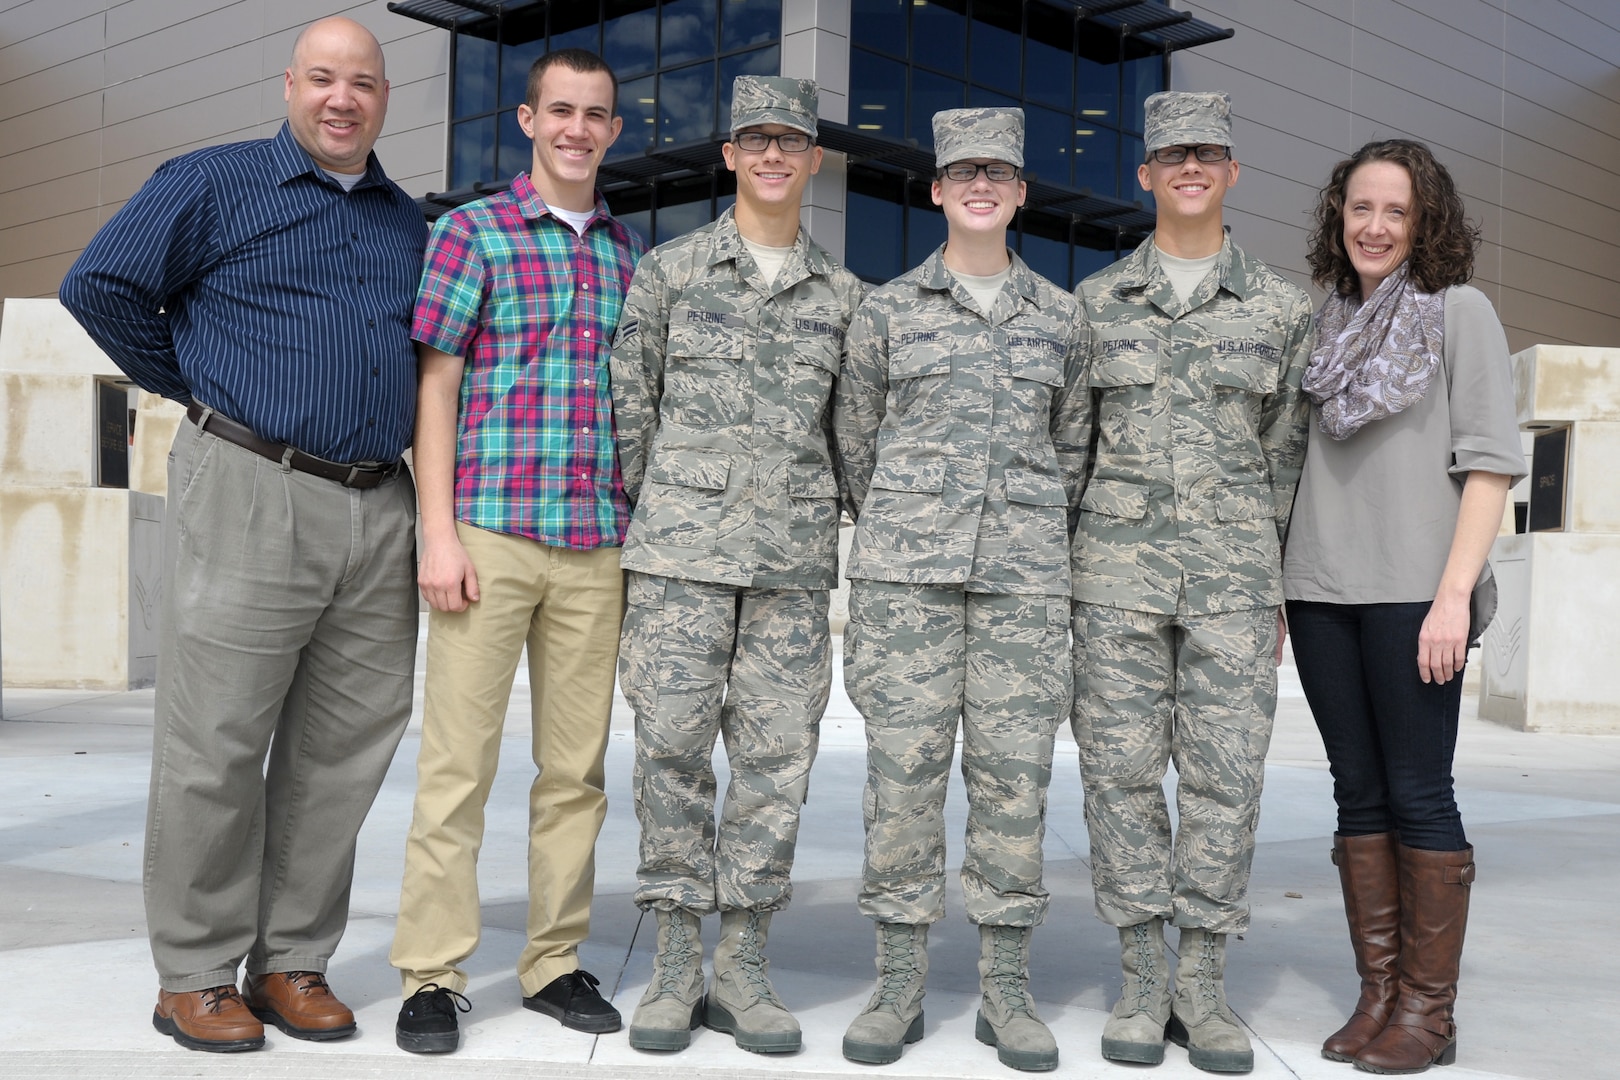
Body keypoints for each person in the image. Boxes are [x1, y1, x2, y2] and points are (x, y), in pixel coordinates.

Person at [56, 16, 426, 1054]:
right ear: (289, 85)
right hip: (253, 486)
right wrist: (208, 392)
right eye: (322, 78)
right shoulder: (214, 182)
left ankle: (292, 959)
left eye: (362, 82)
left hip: (380, 501)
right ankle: (195, 972)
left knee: (342, 749)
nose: (341, 98)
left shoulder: (410, 222)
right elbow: (102, 285)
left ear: (384, 99)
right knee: (216, 743)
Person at [386, 48, 646, 1054]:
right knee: (458, 767)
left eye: (597, 114)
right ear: (528, 121)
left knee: (574, 773)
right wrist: (437, 533)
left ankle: (551, 961)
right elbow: (436, 387)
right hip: (489, 537)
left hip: (594, 545)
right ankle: (434, 972)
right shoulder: (471, 234)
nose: (578, 128)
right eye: (561, 111)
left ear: (614, 131)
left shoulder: (629, 256)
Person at [608, 75, 864, 1056]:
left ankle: (745, 966)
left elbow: (854, 440)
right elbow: (632, 407)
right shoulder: (671, 274)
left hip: (791, 576)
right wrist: (669, 508)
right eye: (754, 139)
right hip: (678, 563)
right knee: (670, 752)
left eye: (789, 142)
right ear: (729, 154)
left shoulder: (842, 298)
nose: (771, 156)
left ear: (810, 159)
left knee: (774, 766)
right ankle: (676, 966)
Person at [834, 107, 1088, 1073]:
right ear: (935, 189)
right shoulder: (886, 313)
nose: (981, 185)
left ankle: (1006, 990)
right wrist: (912, 527)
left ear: (1021, 192)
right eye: (962, 171)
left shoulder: (1063, 318)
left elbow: (1072, 451)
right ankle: (898, 983)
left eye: (1000, 172)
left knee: (1014, 784)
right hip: (909, 589)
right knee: (900, 784)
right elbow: (857, 444)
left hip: (1023, 587)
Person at [1069, 91, 1314, 1074]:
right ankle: (1139, 977)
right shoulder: (1093, 305)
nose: (1190, 167)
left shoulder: (1282, 309)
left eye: (1208, 151)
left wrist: (1281, 590)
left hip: (1234, 582)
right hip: (1114, 581)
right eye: (1172, 154)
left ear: (1233, 171)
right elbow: (1071, 454)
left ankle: (1201, 983)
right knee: (1120, 780)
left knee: (1225, 783)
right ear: (1145, 174)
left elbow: (1288, 464)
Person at [1284, 139, 1525, 1075]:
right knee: (1357, 792)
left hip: (1416, 596)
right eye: (1359, 208)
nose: (1375, 226)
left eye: (1396, 211)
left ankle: (1430, 1010)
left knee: (1421, 792)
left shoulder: (1458, 313)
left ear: (1426, 223)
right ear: (1337, 217)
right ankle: (1379, 994)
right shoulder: (1326, 322)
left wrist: (1453, 597)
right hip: (1321, 590)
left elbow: (1490, 461)